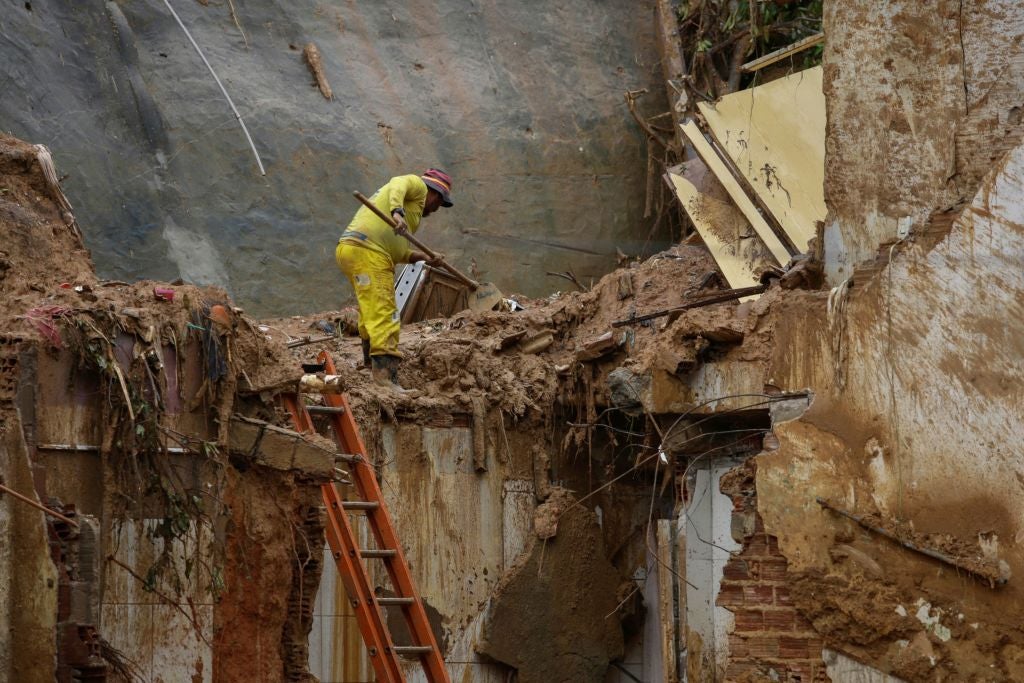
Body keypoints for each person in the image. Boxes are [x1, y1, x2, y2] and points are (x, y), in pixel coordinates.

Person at [336, 168, 454, 391]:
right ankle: (385, 379)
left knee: (371, 310)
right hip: (369, 251)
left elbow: (398, 253)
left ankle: (370, 364)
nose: (437, 209)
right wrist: (397, 212)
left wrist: (426, 258)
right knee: (386, 312)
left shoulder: (410, 213)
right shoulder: (417, 187)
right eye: (440, 203)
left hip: (352, 249)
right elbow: (399, 182)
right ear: (436, 194)